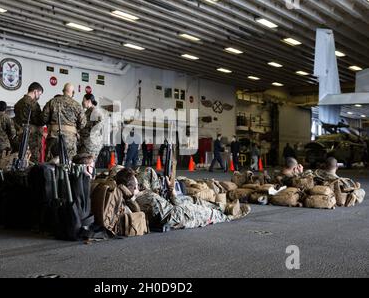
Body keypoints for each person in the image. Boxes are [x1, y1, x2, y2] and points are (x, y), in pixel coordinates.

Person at [116, 168, 249, 231]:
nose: (138, 182)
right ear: (132, 187)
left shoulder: (134, 198)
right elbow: (171, 210)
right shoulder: (147, 198)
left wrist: (170, 193)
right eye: (135, 181)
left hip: (172, 211)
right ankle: (231, 215)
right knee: (209, 214)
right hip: (179, 215)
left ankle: (224, 207)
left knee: (193, 200)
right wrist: (172, 193)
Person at [42, 83, 86, 162]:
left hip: (53, 137)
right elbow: (82, 123)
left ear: (63, 91)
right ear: (73, 93)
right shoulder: (77, 105)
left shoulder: (52, 102)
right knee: (68, 163)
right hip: (69, 139)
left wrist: (51, 125)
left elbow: (43, 118)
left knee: (50, 162)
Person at [14, 82, 45, 164]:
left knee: (20, 160)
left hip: (20, 137)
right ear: (35, 91)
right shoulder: (33, 104)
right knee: (32, 161)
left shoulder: (18, 103)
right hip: (32, 138)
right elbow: (38, 120)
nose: (39, 96)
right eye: (39, 94)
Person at [78, 93, 104, 162]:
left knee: (87, 163)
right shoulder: (88, 111)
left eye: (83, 100)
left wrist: (89, 130)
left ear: (89, 101)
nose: (82, 102)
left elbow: (100, 121)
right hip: (86, 142)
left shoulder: (95, 110)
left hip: (90, 144)